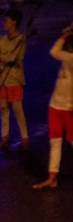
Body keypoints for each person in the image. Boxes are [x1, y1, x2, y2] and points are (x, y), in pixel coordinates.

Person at [32, 24, 73, 189]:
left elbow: (54, 51)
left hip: (68, 108)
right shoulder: (68, 57)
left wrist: (65, 34)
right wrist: (66, 33)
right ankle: (52, 177)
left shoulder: (70, 58)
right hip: (55, 106)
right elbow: (55, 52)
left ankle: (52, 178)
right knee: (55, 143)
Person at [0, 9, 29, 151]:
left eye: (7, 20)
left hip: (14, 79)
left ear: (14, 22)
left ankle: (25, 139)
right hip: (3, 78)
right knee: (4, 110)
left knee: (17, 109)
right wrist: (5, 57)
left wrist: (4, 57)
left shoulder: (21, 40)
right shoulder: (2, 40)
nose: (4, 23)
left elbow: (16, 59)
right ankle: (5, 138)